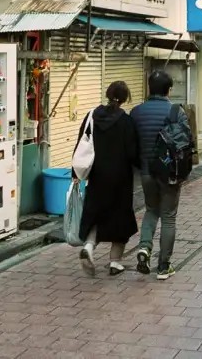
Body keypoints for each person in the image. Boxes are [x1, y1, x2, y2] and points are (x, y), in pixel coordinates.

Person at [131, 69, 192, 281]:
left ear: (149, 88)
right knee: (168, 216)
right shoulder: (176, 112)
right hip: (170, 174)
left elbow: (132, 144)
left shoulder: (136, 112)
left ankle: (144, 249)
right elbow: (186, 144)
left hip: (146, 173)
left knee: (150, 210)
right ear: (169, 89)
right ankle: (164, 266)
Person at [74, 81, 139, 277]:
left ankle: (89, 246)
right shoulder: (126, 121)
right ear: (125, 98)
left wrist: (75, 174)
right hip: (120, 178)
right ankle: (115, 262)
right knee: (121, 220)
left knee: (96, 214)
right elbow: (133, 153)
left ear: (108, 94)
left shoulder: (92, 115)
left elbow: (81, 145)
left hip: (97, 175)